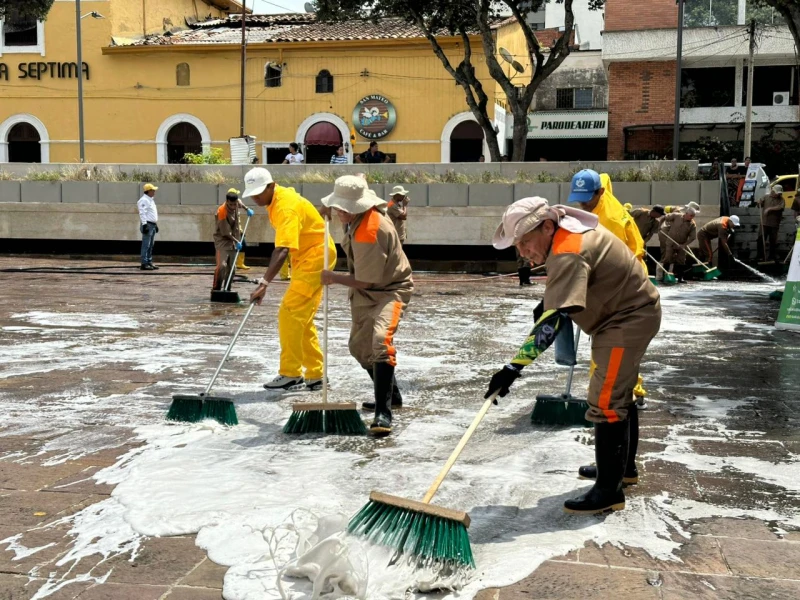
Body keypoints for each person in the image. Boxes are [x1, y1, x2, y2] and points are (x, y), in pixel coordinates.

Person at [487, 197, 661, 514]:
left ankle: (610, 490)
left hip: (627, 319)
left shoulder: (568, 249)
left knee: (606, 398)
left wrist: (512, 369)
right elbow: (557, 301)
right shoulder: (566, 237)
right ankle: (620, 469)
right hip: (622, 314)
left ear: (548, 226)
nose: (523, 252)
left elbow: (552, 323)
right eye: (518, 245)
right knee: (617, 391)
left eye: (525, 241)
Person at [321, 176, 413, 437]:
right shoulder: (358, 214)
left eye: (341, 208)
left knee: (380, 340)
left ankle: (383, 412)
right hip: (365, 292)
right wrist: (330, 207)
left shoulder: (368, 232)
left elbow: (365, 279)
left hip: (389, 290)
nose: (338, 212)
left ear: (354, 209)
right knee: (359, 347)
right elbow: (360, 186)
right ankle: (390, 393)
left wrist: (332, 277)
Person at [244, 168, 336, 391]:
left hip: (315, 258)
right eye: (252, 194)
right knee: (301, 318)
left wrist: (263, 284)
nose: (255, 198)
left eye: (259, 192)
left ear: (271, 185)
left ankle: (291, 373)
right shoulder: (277, 200)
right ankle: (315, 374)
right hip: (310, 257)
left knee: (289, 313)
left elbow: (282, 249)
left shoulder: (286, 207)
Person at [567, 170, 649, 406]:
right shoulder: (601, 199)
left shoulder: (609, 220)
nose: (582, 203)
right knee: (622, 344)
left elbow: (604, 262)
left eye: (587, 198)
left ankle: (604, 395)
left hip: (625, 282)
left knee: (607, 339)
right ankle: (632, 387)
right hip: (623, 276)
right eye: (578, 197)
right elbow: (604, 176)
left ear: (600, 193)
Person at [213, 190, 245, 291]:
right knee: (222, 266)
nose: (233, 206)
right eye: (230, 204)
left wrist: (247, 209)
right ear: (227, 202)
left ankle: (227, 288)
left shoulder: (236, 203)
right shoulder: (222, 212)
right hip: (223, 241)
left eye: (234, 204)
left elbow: (240, 202)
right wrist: (237, 241)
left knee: (232, 268)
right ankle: (216, 288)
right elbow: (225, 232)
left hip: (234, 241)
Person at [660, 205, 698, 282]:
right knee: (667, 258)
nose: (691, 218)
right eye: (691, 216)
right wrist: (659, 226)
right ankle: (665, 276)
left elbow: (692, 237)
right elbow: (664, 217)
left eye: (693, 216)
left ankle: (680, 278)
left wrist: (684, 245)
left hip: (681, 244)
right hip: (670, 242)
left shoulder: (692, 224)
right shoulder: (676, 216)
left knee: (681, 260)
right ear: (686, 213)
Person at [757, 185, 786, 262]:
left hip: (774, 224)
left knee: (773, 241)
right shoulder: (766, 197)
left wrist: (769, 209)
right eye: (777, 193)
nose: (778, 194)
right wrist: (759, 202)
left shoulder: (781, 199)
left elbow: (780, 207)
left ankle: (772, 256)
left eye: (779, 193)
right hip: (764, 223)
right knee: (761, 239)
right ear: (773, 191)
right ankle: (760, 256)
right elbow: (759, 204)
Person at [137, 183, 159, 270]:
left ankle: (149, 261)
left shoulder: (150, 200)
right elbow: (142, 213)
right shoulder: (144, 200)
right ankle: (144, 263)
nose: (154, 192)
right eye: (153, 190)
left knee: (150, 245)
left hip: (152, 225)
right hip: (148, 225)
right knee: (146, 245)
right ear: (148, 191)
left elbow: (151, 213)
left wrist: (155, 224)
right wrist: (145, 224)